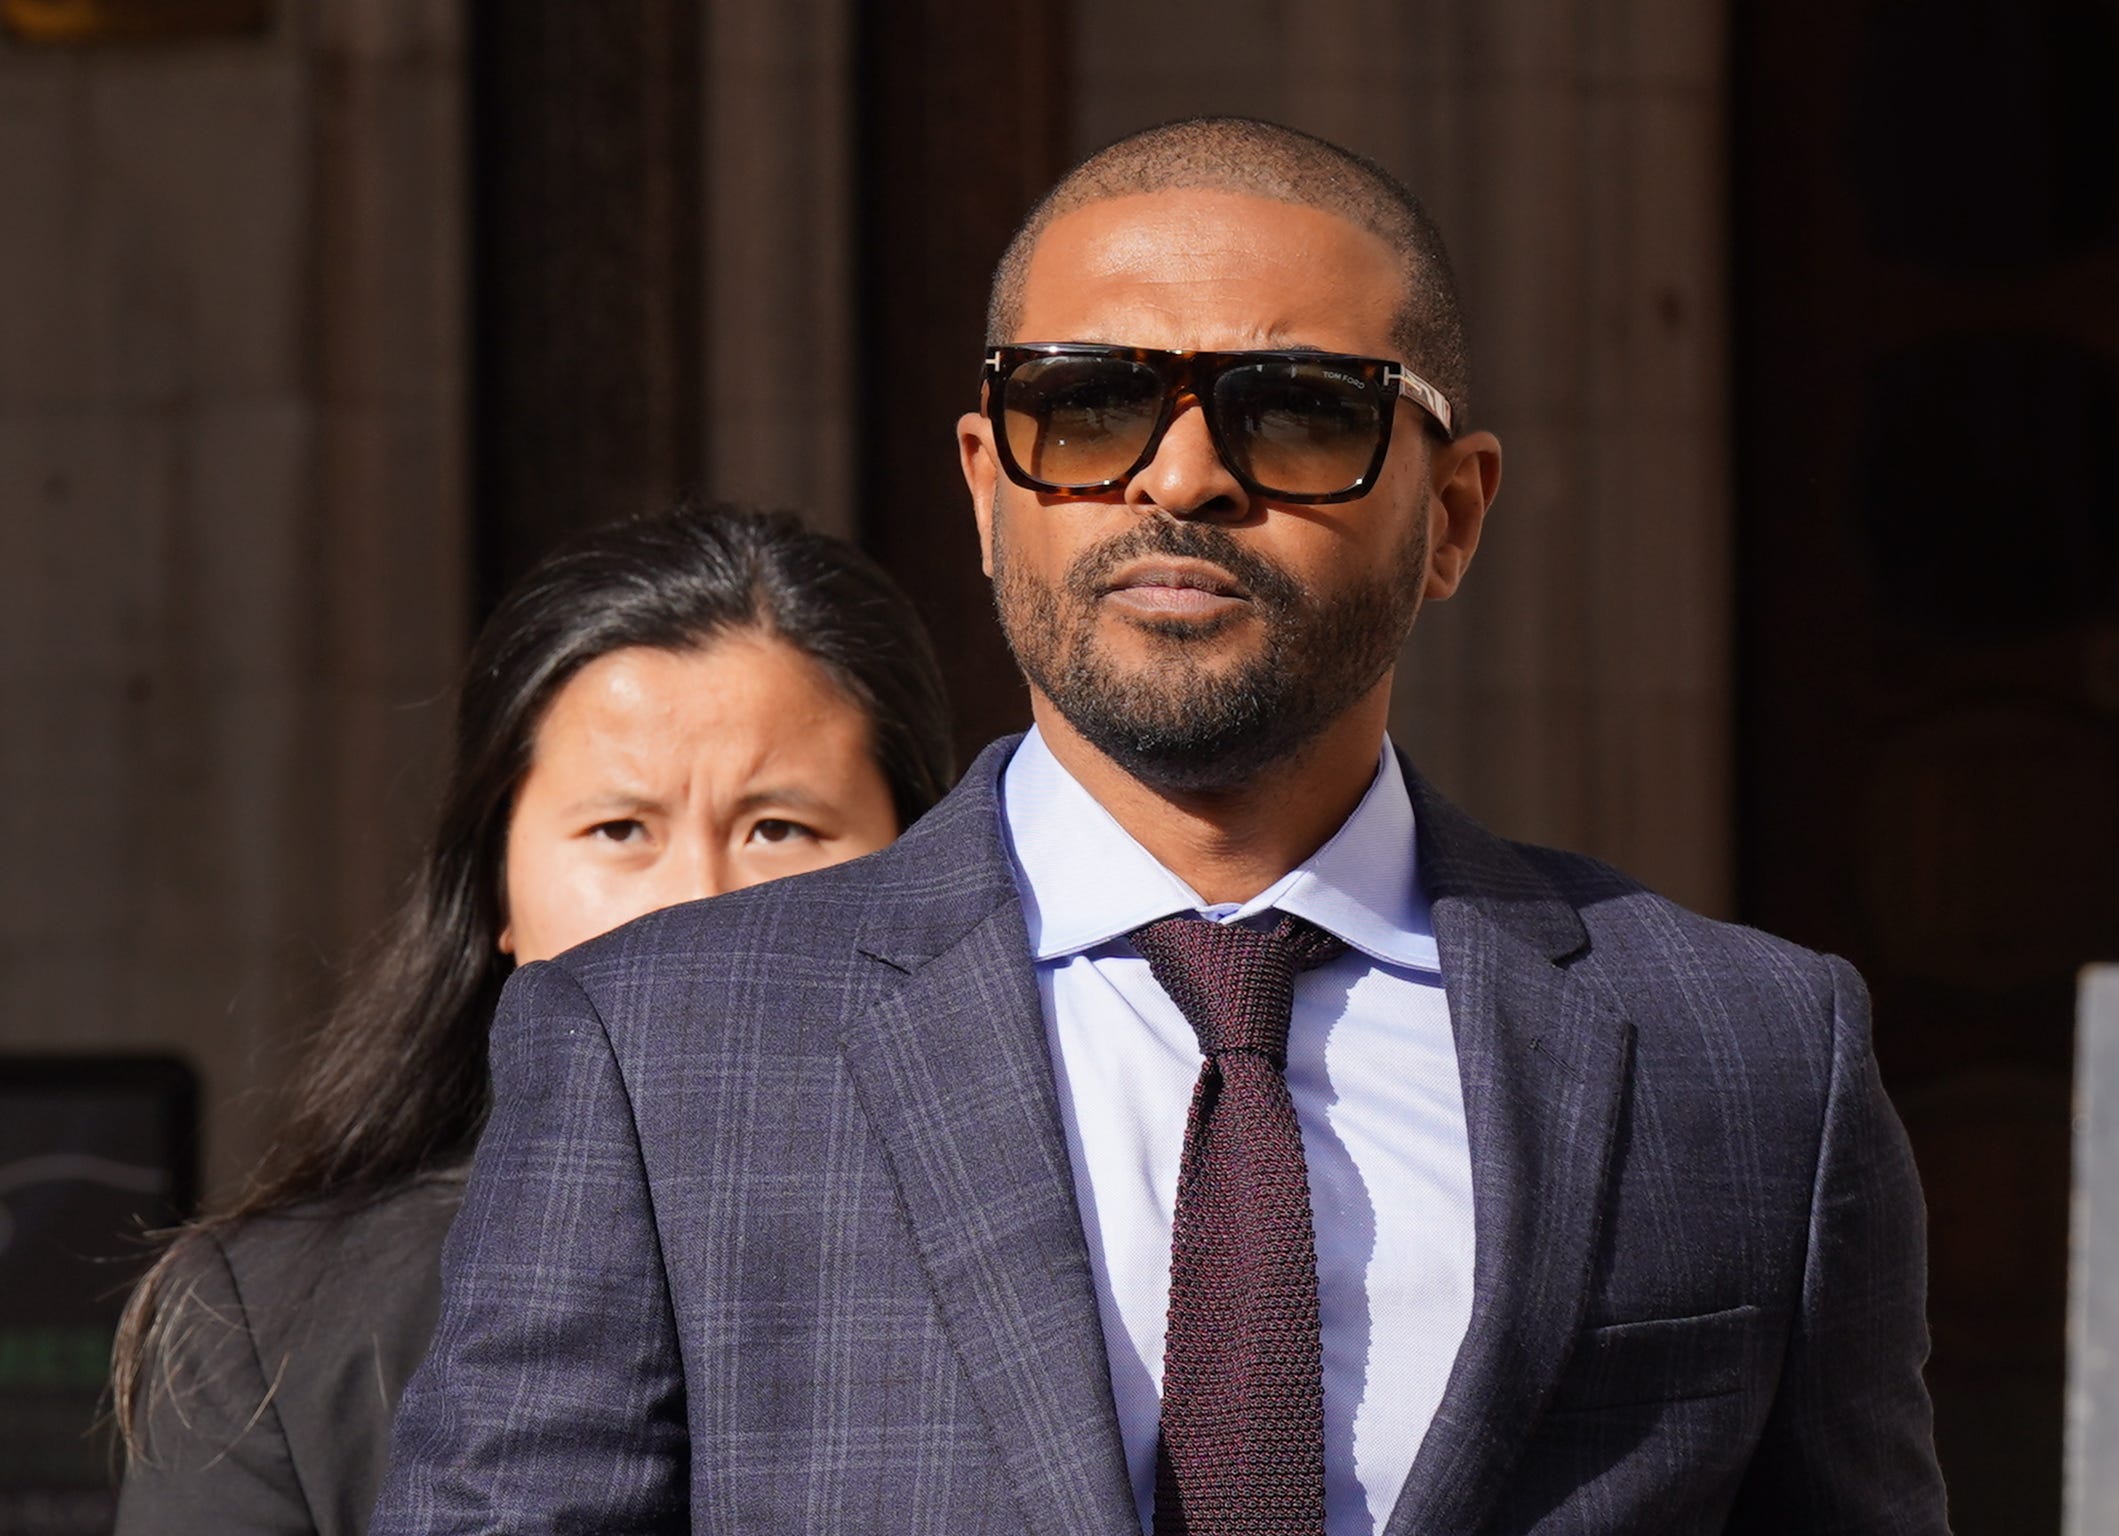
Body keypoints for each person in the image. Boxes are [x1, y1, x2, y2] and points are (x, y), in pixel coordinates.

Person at [373, 118, 1948, 1535]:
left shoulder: (1747, 1054)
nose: (1181, 476)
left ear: (1453, 516)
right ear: (990, 487)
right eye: (1088, 404)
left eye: (1300, 412)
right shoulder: (664, 1045)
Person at [110, 503, 955, 1536]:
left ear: (922, 871)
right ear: (498, 894)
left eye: (779, 827)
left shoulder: (1061, 1245)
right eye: (619, 829)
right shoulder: (275, 1323)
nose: (694, 906)